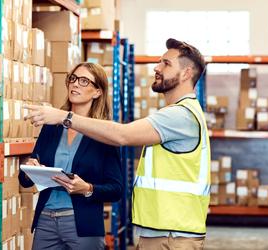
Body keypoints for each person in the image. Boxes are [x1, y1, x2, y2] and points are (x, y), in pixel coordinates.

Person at [24, 38, 210, 250]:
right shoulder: (175, 114)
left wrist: (65, 117)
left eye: (166, 64)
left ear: (186, 73)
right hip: (162, 230)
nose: (156, 68)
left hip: (174, 233)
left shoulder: (180, 116)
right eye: (73, 78)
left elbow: (122, 135)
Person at [19, 62, 123, 250]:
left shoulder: (104, 133)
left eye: (84, 81)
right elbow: (25, 181)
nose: (75, 84)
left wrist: (88, 188)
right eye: (73, 79)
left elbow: (116, 189)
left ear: (97, 92)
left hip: (82, 223)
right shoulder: (52, 125)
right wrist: (30, 169)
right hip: (46, 220)